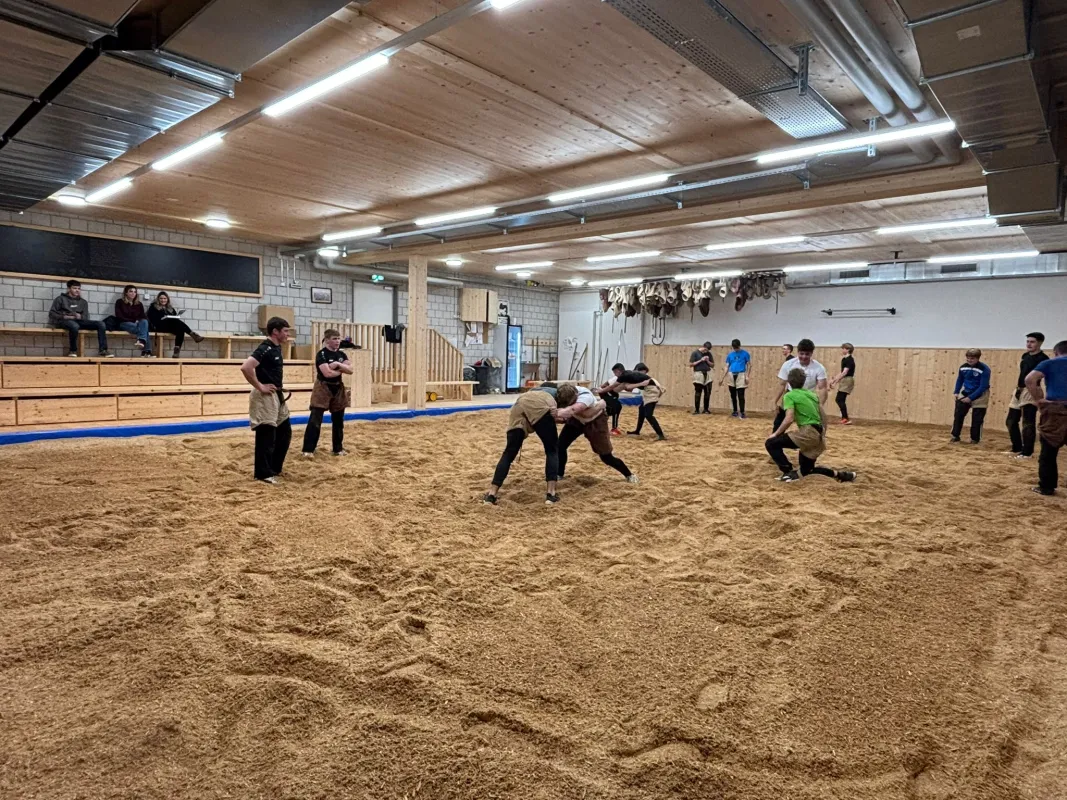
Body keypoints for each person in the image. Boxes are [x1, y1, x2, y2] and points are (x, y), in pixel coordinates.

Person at [483, 383, 582, 505]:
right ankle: (551, 494)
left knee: (508, 454)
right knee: (552, 450)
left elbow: (535, 413)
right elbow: (549, 416)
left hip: (519, 405)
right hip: (540, 406)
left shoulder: (545, 388)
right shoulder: (553, 402)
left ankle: (491, 494)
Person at [765, 368, 857, 484]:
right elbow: (822, 415)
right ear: (803, 381)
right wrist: (822, 435)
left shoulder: (789, 395)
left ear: (789, 381)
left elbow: (789, 419)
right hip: (818, 434)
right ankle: (842, 475)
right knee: (807, 471)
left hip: (808, 433)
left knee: (770, 443)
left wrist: (776, 433)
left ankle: (788, 471)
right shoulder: (812, 395)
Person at [241, 317, 292, 484]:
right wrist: (260, 386)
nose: (287, 334)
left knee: (284, 432)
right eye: (285, 331)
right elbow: (246, 367)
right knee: (266, 435)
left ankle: (274, 468)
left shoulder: (277, 348)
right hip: (265, 397)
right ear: (275, 331)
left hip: (277, 394)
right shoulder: (265, 348)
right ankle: (263, 473)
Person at [556, 382, 639, 484]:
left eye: (571, 402)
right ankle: (559, 473)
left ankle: (629, 474)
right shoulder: (563, 393)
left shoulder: (585, 397)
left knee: (606, 456)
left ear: (576, 395)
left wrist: (558, 413)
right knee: (560, 446)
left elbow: (587, 414)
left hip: (595, 421)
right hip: (577, 420)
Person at [1024, 339, 1067, 496]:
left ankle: (1046, 487)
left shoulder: (1051, 363)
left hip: (1056, 409)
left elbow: (1030, 379)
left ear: (1056, 352)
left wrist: (1039, 400)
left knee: (1048, 450)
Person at [301, 328, 353, 458]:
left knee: (338, 421)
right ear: (327, 340)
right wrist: (341, 369)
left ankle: (337, 449)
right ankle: (308, 450)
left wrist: (336, 365)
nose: (337, 341)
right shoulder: (322, 354)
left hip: (338, 388)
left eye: (338, 339)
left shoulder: (342, 355)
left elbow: (350, 370)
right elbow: (327, 373)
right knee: (315, 420)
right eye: (334, 339)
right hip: (322, 387)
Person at [1006, 332, 1049, 460]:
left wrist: (1038, 396)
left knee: (1028, 422)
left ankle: (1027, 452)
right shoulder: (1025, 356)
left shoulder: (1043, 359)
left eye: (1032, 342)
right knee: (1011, 421)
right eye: (1028, 341)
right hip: (1019, 390)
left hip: (1031, 390)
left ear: (1040, 343)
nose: (1029, 344)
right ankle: (1017, 448)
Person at [772, 339, 827, 432]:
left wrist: (819, 405)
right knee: (779, 422)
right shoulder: (788, 364)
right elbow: (782, 384)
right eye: (801, 354)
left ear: (811, 353)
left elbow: (822, 388)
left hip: (808, 397)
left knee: (809, 425)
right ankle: (775, 438)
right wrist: (775, 401)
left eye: (807, 354)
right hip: (790, 395)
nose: (804, 356)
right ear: (798, 352)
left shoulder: (819, 367)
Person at [48, 280, 112, 357]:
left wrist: (80, 316)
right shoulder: (60, 299)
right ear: (69, 289)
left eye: (79, 288)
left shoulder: (83, 302)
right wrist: (65, 316)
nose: (77, 290)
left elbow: (86, 317)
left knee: (101, 324)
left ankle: (103, 350)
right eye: (75, 288)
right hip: (64, 321)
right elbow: (52, 314)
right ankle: (73, 350)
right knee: (74, 326)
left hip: (79, 321)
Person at [614, 362, 666, 440]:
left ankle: (661, 435)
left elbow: (629, 388)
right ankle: (637, 431)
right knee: (641, 409)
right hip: (649, 392)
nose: (644, 374)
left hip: (652, 391)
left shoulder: (639, 377)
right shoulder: (633, 376)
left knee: (648, 415)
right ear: (637, 370)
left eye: (645, 372)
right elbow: (629, 389)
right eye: (643, 372)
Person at [950, 348, 992, 444]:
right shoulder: (963, 368)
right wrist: (956, 391)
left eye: (972, 358)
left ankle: (975, 439)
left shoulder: (985, 369)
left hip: (981, 394)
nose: (969, 360)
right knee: (958, 415)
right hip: (966, 392)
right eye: (968, 358)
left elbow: (983, 386)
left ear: (978, 358)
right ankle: (955, 435)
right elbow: (960, 379)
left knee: (977, 418)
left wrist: (971, 398)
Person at [148, 291, 205, 357]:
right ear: (158, 299)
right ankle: (192, 334)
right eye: (161, 298)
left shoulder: (170, 308)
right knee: (178, 324)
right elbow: (152, 319)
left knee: (181, 329)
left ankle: (176, 351)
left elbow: (175, 319)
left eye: (165, 298)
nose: (163, 300)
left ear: (167, 299)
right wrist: (163, 317)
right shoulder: (153, 307)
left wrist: (172, 317)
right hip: (159, 326)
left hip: (169, 327)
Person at [113, 285, 153, 357]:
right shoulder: (120, 302)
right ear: (126, 293)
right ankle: (146, 351)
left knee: (144, 322)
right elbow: (119, 316)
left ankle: (141, 341)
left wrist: (139, 321)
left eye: (135, 292)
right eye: (131, 291)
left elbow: (142, 316)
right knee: (144, 329)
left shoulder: (139, 304)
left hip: (136, 324)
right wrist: (134, 320)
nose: (133, 293)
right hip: (123, 323)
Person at [721, 338, 751, 418]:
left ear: (739, 346)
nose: (735, 349)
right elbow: (727, 366)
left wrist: (747, 376)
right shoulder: (730, 355)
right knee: (733, 395)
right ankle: (734, 411)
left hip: (741, 374)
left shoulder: (745, 354)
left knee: (741, 395)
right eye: (734, 347)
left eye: (736, 347)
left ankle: (742, 411)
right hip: (731, 374)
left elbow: (749, 365)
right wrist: (723, 377)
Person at [829, 343, 857, 424]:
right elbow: (842, 372)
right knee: (841, 399)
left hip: (847, 380)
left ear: (848, 349)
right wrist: (834, 380)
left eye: (843, 348)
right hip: (844, 379)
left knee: (839, 399)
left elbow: (845, 372)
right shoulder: (844, 359)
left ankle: (845, 418)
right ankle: (844, 418)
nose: (842, 350)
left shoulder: (849, 360)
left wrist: (836, 382)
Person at [689, 341, 715, 414]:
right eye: (705, 349)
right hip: (698, 373)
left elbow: (712, 365)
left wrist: (707, 361)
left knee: (707, 392)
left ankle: (706, 409)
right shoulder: (695, 353)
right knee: (698, 392)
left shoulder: (709, 354)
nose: (706, 351)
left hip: (707, 373)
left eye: (707, 350)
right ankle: (697, 410)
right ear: (703, 346)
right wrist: (701, 360)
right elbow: (691, 364)